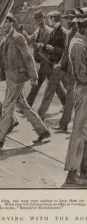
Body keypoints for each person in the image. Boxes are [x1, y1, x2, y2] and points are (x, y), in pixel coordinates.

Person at [0, 13, 51, 148]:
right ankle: (43, 131)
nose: (3, 25)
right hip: (10, 77)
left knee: (7, 106)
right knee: (22, 105)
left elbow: (28, 57)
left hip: (17, 77)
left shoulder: (18, 37)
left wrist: (33, 77)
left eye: (5, 22)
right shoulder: (5, 41)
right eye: (2, 23)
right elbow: (0, 60)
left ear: (12, 23)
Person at [64, 17, 87, 186]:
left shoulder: (81, 41)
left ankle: (83, 169)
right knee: (79, 131)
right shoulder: (79, 45)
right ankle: (72, 173)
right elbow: (82, 75)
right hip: (83, 89)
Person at [36, 11, 68, 121]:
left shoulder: (64, 33)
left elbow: (65, 51)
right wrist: (43, 47)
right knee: (62, 88)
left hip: (60, 66)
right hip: (54, 65)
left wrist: (53, 49)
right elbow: (49, 48)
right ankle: (67, 105)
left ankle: (40, 115)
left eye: (49, 19)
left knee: (49, 90)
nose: (48, 21)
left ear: (53, 19)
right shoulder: (53, 32)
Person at [52, 10, 79, 132]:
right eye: (67, 18)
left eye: (71, 18)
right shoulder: (69, 33)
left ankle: (64, 125)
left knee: (72, 98)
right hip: (72, 72)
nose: (69, 20)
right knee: (71, 98)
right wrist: (61, 63)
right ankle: (64, 124)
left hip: (79, 71)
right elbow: (66, 51)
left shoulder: (80, 32)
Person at [22, 11, 55, 107]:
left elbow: (51, 46)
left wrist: (41, 46)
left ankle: (27, 105)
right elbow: (29, 40)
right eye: (37, 21)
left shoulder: (50, 31)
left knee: (37, 84)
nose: (40, 22)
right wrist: (22, 31)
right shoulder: (37, 31)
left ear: (44, 19)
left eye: (41, 20)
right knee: (55, 85)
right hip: (42, 61)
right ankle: (66, 102)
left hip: (47, 61)